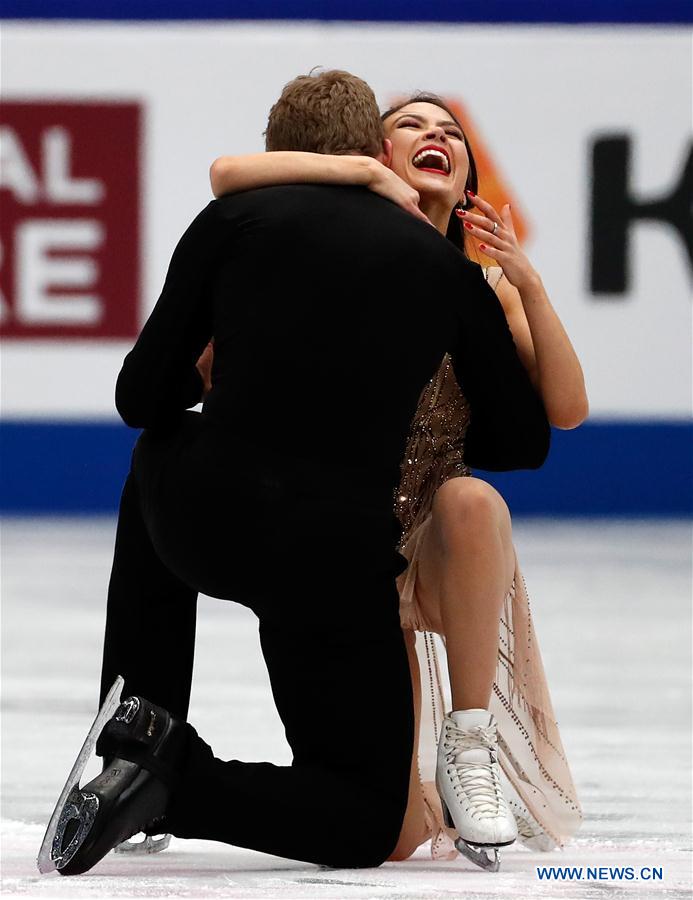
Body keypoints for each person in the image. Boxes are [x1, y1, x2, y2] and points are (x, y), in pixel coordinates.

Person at [42, 71, 550, 878]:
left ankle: (137, 730)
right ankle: (179, 782)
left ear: (280, 150)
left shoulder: (230, 220)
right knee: (363, 820)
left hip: (206, 519)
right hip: (333, 561)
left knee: (158, 454)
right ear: (372, 149)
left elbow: (140, 397)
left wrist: (210, 378)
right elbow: (522, 442)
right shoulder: (446, 268)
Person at [206, 94, 587, 865]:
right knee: (396, 837)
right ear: (376, 158)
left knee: (472, 498)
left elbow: (567, 410)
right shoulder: (336, 259)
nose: (434, 134)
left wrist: (528, 282)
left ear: (467, 172)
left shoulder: (489, 289)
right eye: (409, 124)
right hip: (345, 542)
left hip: (440, 541)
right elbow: (227, 177)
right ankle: (180, 780)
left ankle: (468, 744)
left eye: (448, 130)